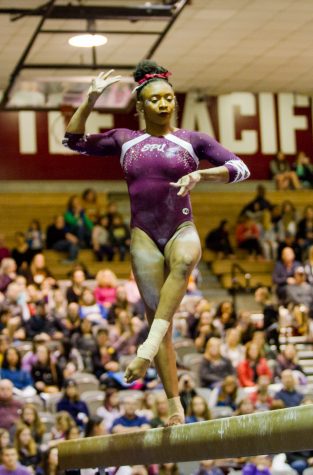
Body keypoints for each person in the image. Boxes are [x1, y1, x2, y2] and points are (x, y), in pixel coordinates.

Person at [63, 61, 250, 425]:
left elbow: (240, 168)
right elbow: (73, 141)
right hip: (144, 236)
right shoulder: (124, 140)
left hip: (182, 227)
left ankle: (146, 351)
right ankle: (175, 407)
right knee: (157, 321)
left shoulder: (192, 141)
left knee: (183, 264)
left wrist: (201, 173)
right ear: (141, 106)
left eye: (169, 98)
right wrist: (89, 100)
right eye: (156, 100)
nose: (165, 104)